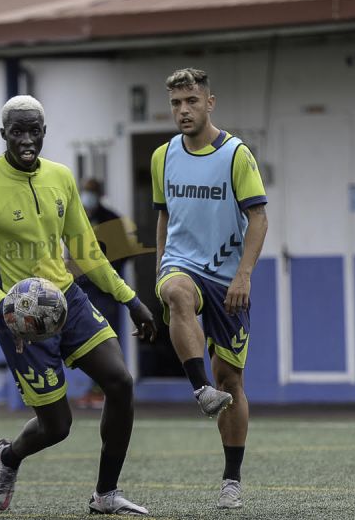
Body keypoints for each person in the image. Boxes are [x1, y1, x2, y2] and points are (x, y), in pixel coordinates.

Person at [0, 95, 156, 515]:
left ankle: (105, 495)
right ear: (3, 134)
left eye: (34, 131)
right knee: (57, 426)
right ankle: (10, 456)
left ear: (44, 132)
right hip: (20, 319)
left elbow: (86, 250)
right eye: (17, 131)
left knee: (120, 381)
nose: (26, 140)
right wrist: (5, 304)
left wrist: (131, 299)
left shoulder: (62, 177)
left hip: (67, 299)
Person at [151, 68, 268, 509]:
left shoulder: (236, 154)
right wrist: (160, 268)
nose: (183, 110)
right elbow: (163, 216)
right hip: (181, 265)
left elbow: (259, 218)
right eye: (176, 103)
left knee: (232, 381)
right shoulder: (162, 156)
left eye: (191, 101)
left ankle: (231, 479)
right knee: (177, 293)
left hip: (227, 279)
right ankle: (201, 389)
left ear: (209, 103)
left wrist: (244, 274)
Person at [75, 178, 132, 409]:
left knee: (108, 340)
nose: (87, 196)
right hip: (82, 291)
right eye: (85, 191)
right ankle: (93, 389)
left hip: (105, 292)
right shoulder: (77, 218)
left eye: (91, 192)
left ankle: (109, 389)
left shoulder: (111, 219)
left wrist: (103, 274)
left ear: (100, 195)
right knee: (86, 341)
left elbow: (123, 255)